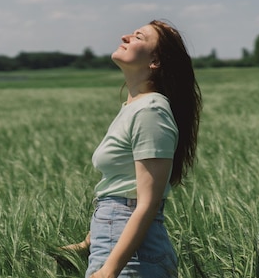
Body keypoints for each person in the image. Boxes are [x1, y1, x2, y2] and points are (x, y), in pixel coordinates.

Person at [62, 20, 202, 278]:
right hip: (116, 243)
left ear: (155, 61)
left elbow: (146, 203)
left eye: (138, 37)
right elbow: (124, 186)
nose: (125, 36)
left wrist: (110, 270)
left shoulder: (150, 110)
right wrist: (89, 241)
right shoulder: (135, 107)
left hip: (130, 256)